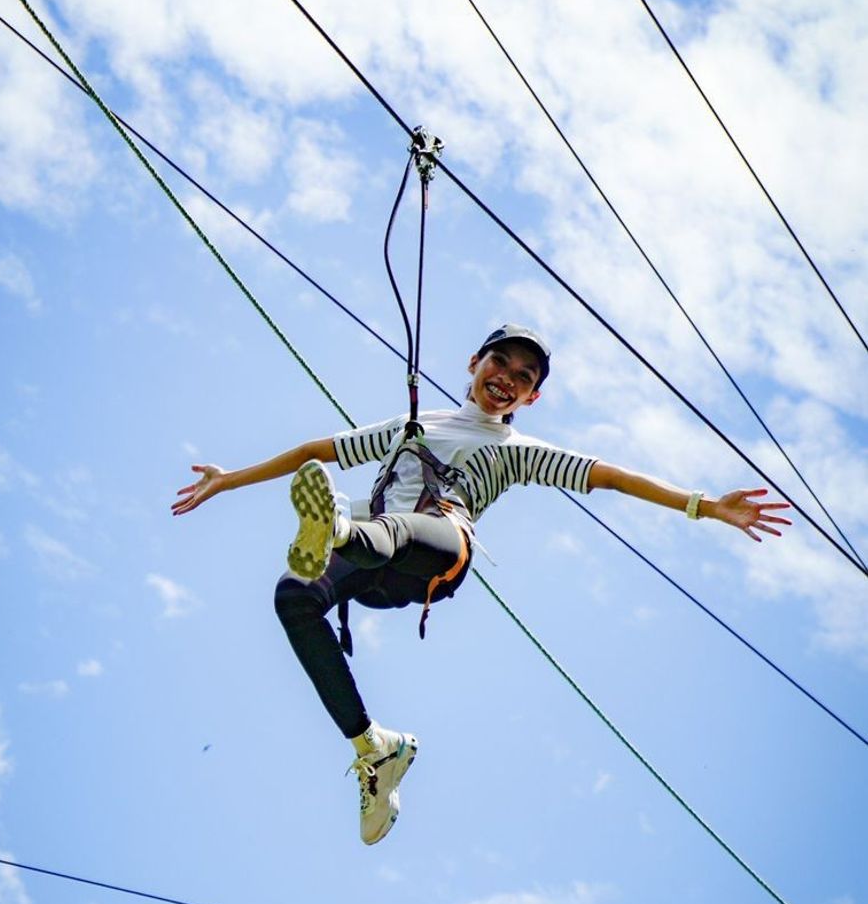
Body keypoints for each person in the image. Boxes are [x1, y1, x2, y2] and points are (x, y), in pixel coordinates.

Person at [171, 324, 790, 846]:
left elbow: (610, 477)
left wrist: (703, 506)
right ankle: (374, 748)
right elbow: (319, 448)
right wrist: (228, 480)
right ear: (474, 363)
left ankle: (336, 531)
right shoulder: (414, 423)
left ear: (531, 398)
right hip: (375, 570)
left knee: (400, 527)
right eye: (502, 362)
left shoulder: (517, 449)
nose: (509, 378)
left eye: (525, 378)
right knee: (293, 596)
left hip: (436, 550)